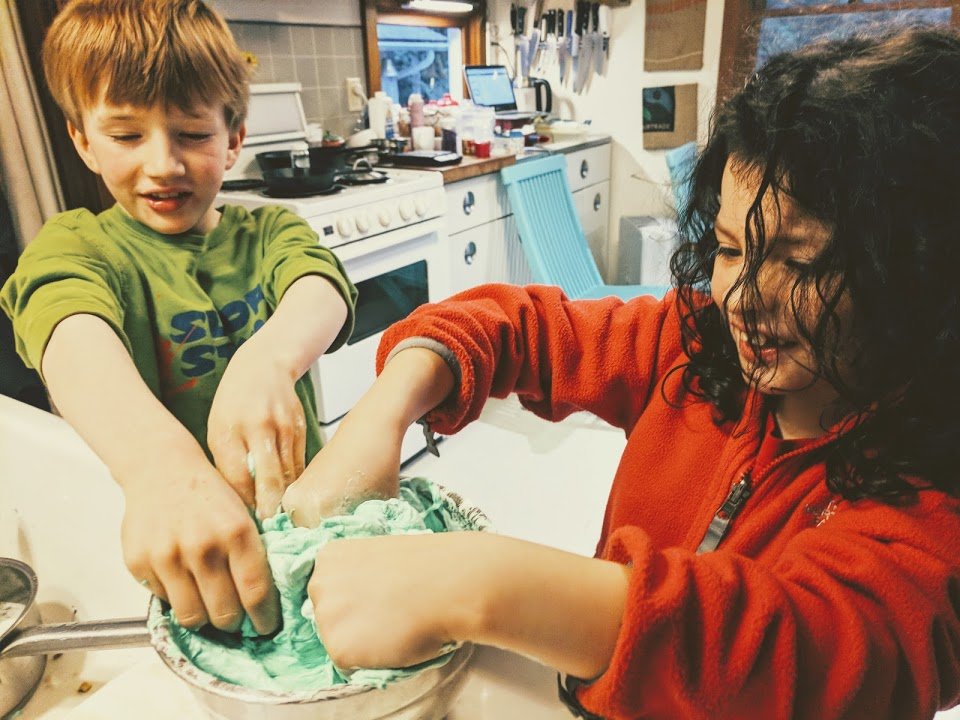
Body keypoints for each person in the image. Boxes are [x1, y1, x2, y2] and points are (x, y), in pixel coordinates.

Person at [281, 26, 960, 719]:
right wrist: (385, 409)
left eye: (803, 262)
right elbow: (524, 329)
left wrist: (482, 584)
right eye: (729, 249)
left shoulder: (931, 510)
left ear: (922, 274)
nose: (743, 299)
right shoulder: (692, 347)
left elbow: (816, 658)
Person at [0, 0, 357, 638]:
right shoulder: (76, 247)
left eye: (192, 134)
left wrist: (268, 359)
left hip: (305, 521)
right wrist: (159, 465)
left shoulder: (269, 229)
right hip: (178, 550)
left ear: (235, 139)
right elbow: (67, 329)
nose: (164, 164)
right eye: (127, 135)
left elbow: (320, 287)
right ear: (82, 139)